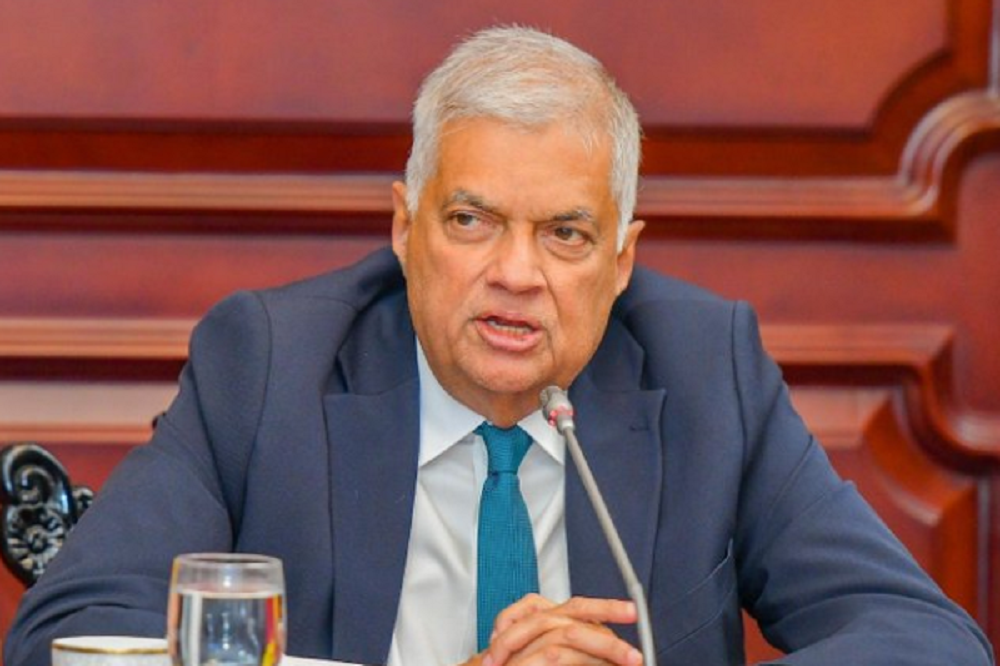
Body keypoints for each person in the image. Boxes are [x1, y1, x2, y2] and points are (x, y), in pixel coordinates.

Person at [4, 26, 994, 666]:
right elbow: (67, 639)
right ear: (405, 229)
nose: (516, 273)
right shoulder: (269, 365)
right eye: (472, 221)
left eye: (564, 234)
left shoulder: (705, 372)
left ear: (619, 260)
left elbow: (925, 641)